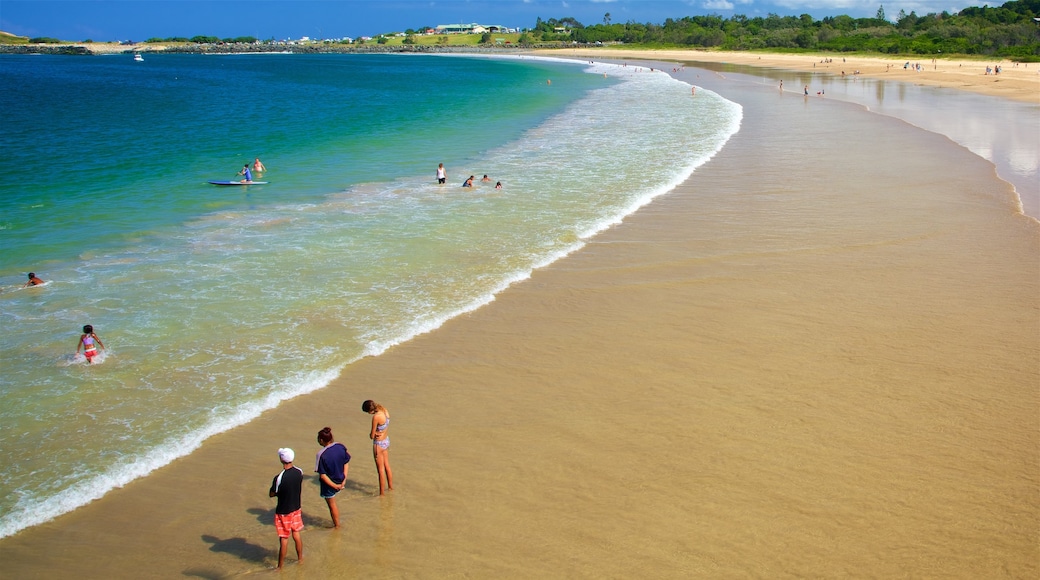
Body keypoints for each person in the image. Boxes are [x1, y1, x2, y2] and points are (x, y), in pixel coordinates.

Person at [269, 448, 304, 569]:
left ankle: (280, 566)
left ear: (281, 459)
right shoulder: (299, 472)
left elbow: (272, 493)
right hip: (296, 508)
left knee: (284, 538)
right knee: (296, 533)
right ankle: (300, 558)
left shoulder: (279, 478)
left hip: (284, 511)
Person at [314, 427, 350, 528]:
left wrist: (334, 486)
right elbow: (346, 463)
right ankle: (337, 523)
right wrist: (344, 479)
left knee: (332, 505)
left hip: (330, 484)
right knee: (333, 504)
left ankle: (337, 525)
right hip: (341, 478)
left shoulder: (321, 455)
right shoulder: (340, 446)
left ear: (321, 440)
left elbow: (323, 475)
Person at [362, 400, 394, 496]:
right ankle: (391, 487)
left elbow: (372, 435)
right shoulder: (384, 410)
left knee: (380, 470)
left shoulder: (376, 417)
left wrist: (372, 434)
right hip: (386, 440)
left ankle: (382, 494)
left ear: (370, 411)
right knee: (387, 466)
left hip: (378, 444)